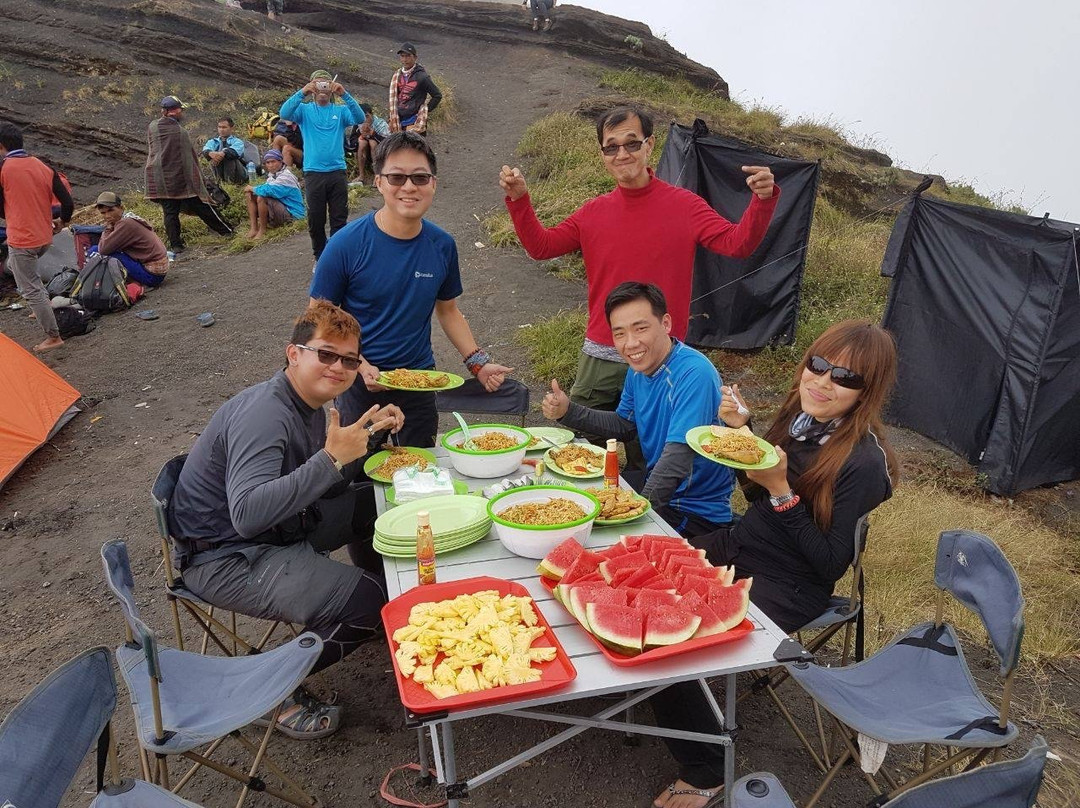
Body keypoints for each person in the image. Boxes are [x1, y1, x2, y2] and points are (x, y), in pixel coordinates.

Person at [649, 319, 898, 808]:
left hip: (791, 583)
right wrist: (742, 436)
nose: (822, 382)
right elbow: (755, 495)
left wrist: (782, 491)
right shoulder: (800, 418)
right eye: (818, 365)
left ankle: (705, 769)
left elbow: (828, 565)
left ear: (866, 391)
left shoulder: (865, 464)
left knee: (673, 646)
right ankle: (649, 692)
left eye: (845, 377)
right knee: (646, 565)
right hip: (743, 543)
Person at [169, 300, 403, 737]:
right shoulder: (266, 413)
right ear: (294, 353)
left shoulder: (309, 403)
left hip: (280, 527)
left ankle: (378, 606)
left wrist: (366, 441)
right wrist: (331, 458)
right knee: (367, 601)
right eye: (326, 354)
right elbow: (248, 514)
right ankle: (264, 692)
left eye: (349, 360)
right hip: (227, 556)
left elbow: (322, 484)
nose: (338, 367)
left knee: (378, 504)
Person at [499, 105, 779, 424]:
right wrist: (519, 200)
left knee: (653, 446)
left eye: (632, 143)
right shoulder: (593, 213)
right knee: (581, 440)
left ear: (650, 145)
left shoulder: (685, 206)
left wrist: (763, 201)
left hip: (661, 356)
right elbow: (542, 247)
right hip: (602, 352)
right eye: (611, 147)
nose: (622, 154)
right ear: (603, 154)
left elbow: (737, 244)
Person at [310, 131, 513, 451]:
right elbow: (318, 317)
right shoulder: (345, 245)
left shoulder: (441, 245)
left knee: (419, 466)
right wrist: (359, 364)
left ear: (433, 183)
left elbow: (448, 311)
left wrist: (478, 363)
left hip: (419, 382)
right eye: (396, 177)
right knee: (357, 472)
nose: (408, 187)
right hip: (358, 382)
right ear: (379, 182)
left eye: (419, 177)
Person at [542, 283, 735, 534]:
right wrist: (568, 411)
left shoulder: (694, 373)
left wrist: (634, 514)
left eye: (640, 328)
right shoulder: (639, 369)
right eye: (619, 333)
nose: (630, 343)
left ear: (665, 323)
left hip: (693, 510)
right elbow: (625, 424)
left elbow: (677, 460)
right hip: (661, 493)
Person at [0, 121, 73, 352]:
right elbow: (67, 202)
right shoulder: (43, 166)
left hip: (22, 239)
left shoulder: (3, 168)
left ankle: (53, 337)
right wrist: (63, 221)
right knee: (29, 278)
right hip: (44, 237)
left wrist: (12, 214)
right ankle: (41, 306)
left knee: (29, 285)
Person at [280, 71, 365, 262]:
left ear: (331, 86)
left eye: (326, 84)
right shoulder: (304, 110)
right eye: (318, 84)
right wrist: (302, 92)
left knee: (339, 219)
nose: (322, 89)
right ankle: (319, 257)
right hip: (314, 173)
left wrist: (344, 94)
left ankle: (337, 257)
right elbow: (284, 113)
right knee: (316, 219)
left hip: (337, 172)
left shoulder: (340, 111)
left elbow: (359, 118)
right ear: (312, 86)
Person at [145, 96, 234, 255]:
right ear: (174, 111)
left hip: (159, 177)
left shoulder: (153, 126)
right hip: (180, 178)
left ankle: (176, 245)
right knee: (202, 205)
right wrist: (197, 178)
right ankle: (227, 231)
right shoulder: (180, 132)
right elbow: (188, 159)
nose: (182, 112)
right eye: (180, 109)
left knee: (170, 212)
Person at [92, 191, 169, 287]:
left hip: (152, 275)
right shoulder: (128, 218)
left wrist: (108, 227)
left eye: (111, 210)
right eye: (103, 213)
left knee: (96, 252)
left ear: (121, 208)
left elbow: (103, 250)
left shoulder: (125, 223)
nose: (107, 216)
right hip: (157, 270)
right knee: (98, 250)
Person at [243, 149, 305, 240]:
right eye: (268, 162)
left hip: (293, 214)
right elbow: (266, 188)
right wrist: (251, 191)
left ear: (281, 162)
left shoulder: (286, 176)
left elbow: (270, 190)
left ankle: (262, 230)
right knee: (250, 195)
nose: (271, 165)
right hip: (282, 210)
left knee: (262, 197)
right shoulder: (272, 177)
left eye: (273, 161)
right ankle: (254, 228)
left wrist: (252, 188)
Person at [388, 43, 443, 135]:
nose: (405, 59)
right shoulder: (397, 75)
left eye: (408, 56)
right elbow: (395, 98)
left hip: (414, 121)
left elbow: (437, 95)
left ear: (415, 57)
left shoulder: (422, 77)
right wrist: (391, 118)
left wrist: (424, 111)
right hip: (398, 119)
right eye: (402, 56)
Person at [346, 103, 390, 184]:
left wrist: (374, 135)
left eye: (367, 116)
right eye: (362, 117)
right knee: (362, 143)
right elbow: (352, 144)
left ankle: (377, 175)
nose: (365, 120)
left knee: (372, 142)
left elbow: (388, 143)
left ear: (371, 115)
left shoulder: (380, 124)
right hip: (365, 154)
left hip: (379, 153)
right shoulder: (358, 124)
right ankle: (361, 175)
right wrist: (359, 138)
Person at [201, 117, 248, 185]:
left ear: (232, 128)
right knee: (213, 157)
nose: (221, 130)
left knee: (228, 156)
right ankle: (220, 183)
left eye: (224, 127)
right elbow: (205, 150)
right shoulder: (213, 141)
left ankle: (229, 184)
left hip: (239, 175)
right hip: (220, 171)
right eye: (219, 127)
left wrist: (222, 153)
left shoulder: (238, 142)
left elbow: (234, 152)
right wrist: (210, 153)